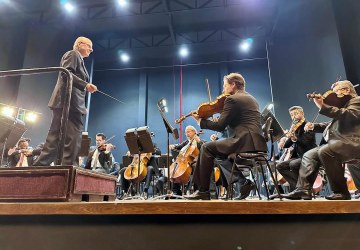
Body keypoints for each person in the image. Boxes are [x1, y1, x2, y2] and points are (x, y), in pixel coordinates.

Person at [188, 72, 267, 200]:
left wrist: (200, 122)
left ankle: (203, 191)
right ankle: (243, 182)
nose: (224, 89)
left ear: (233, 85)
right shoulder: (251, 99)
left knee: (206, 148)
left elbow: (220, 126)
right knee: (218, 155)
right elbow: (233, 121)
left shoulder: (232, 99)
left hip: (244, 141)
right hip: (257, 142)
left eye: (225, 86)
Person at [283, 80, 360, 200]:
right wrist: (315, 126)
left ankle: (341, 192)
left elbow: (348, 115)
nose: (334, 95)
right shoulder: (343, 106)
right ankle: (303, 190)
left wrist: (322, 106)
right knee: (309, 155)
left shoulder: (357, 101)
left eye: (336, 91)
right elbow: (331, 124)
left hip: (353, 142)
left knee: (325, 151)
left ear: (346, 90)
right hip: (342, 143)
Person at [34, 36, 97, 167]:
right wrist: (85, 85)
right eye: (89, 46)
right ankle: (69, 166)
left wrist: (85, 85)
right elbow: (66, 73)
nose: (91, 49)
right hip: (69, 103)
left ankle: (40, 165)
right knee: (73, 137)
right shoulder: (73, 54)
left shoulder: (79, 58)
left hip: (66, 102)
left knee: (55, 137)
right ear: (80, 44)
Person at [276, 106, 317, 192]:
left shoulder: (308, 125)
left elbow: (306, 143)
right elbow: (287, 145)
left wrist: (295, 139)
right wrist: (284, 142)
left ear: (302, 113)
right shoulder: (294, 127)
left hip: (309, 156)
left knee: (293, 164)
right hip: (300, 156)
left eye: (296, 113)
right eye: (291, 115)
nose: (293, 116)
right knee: (280, 166)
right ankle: (299, 188)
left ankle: (302, 188)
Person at [168, 125, 205, 195]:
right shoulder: (186, 142)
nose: (187, 134)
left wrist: (199, 141)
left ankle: (193, 189)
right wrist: (173, 146)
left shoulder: (200, 141)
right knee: (175, 169)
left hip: (197, 162)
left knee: (195, 166)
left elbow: (205, 148)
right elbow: (178, 147)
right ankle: (176, 191)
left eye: (188, 132)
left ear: (194, 132)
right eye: (186, 132)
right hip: (186, 162)